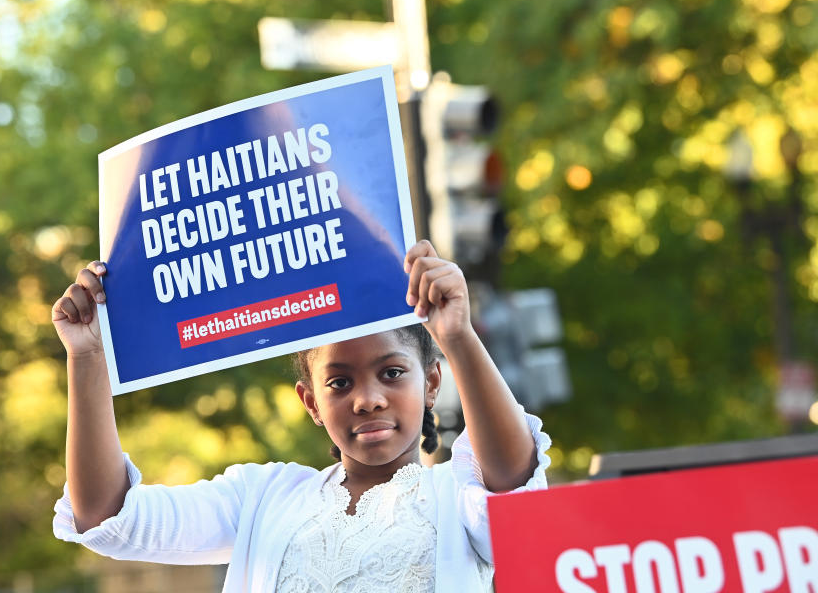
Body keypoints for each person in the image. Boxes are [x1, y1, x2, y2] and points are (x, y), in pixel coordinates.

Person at [51, 240, 552, 592]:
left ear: (433, 383)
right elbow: (106, 517)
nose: (368, 399)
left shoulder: (457, 494)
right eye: (339, 382)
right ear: (310, 402)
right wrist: (87, 359)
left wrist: (459, 336)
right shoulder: (262, 499)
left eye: (393, 374)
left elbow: (515, 492)